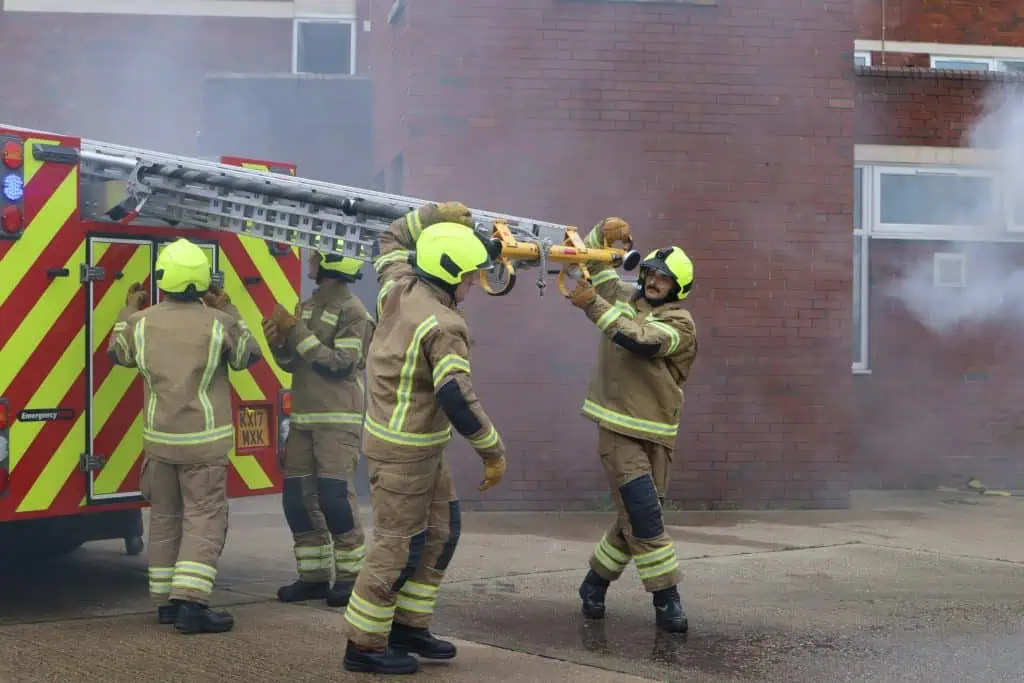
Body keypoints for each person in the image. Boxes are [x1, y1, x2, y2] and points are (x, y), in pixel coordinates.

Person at [341, 202, 508, 675]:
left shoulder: (397, 287)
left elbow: (391, 238)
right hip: (404, 453)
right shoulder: (445, 325)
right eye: (470, 275)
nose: (474, 283)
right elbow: (456, 395)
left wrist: (434, 214)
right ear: (449, 272)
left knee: (440, 532)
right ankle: (365, 646)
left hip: (419, 449)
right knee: (396, 545)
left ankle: (407, 626)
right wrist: (493, 451)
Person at [108, 237, 261, 634]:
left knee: (164, 518)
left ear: (162, 278)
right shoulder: (218, 323)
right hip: (204, 444)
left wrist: (128, 308)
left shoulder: (140, 324)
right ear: (203, 281)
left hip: (160, 443)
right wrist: (227, 308)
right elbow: (248, 355)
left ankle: (165, 604)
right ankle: (191, 604)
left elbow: (117, 352)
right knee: (203, 518)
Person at [567, 217, 698, 634]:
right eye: (651, 272)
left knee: (635, 517)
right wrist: (600, 234)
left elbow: (638, 339)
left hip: (657, 434)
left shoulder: (680, 325)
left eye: (664, 277)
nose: (655, 280)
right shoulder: (623, 296)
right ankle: (667, 599)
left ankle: (593, 584)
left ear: (679, 286)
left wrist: (592, 304)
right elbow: (590, 267)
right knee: (644, 516)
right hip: (618, 428)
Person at [262, 250, 375, 608]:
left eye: (316, 258)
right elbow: (292, 362)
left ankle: (349, 578)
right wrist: (277, 341)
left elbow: (340, 365)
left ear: (332, 264)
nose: (309, 262)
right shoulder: (307, 306)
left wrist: (296, 331)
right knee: (296, 500)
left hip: (337, 418)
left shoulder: (353, 312)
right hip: (304, 417)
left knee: (333, 498)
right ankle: (312, 577)